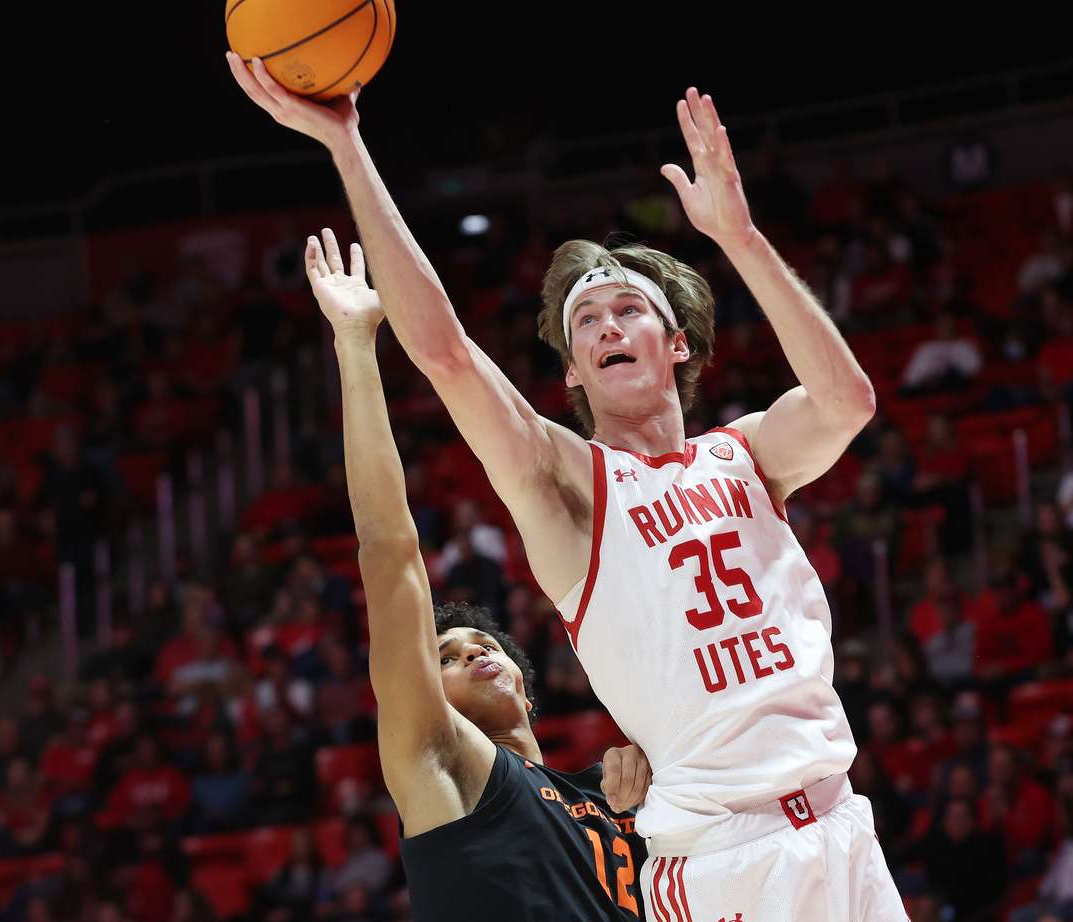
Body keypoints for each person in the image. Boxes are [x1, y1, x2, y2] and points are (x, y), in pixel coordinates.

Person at [228, 55, 904, 920]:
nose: (607, 325)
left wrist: (739, 237)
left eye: (629, 309)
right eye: (587, 321)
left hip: (842, 825)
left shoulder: (749, 454)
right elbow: (444, 353)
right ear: (576, 372)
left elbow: (848, 401)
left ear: (677, 344)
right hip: (729, 861)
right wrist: (348, 146)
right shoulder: (571, 485)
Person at [302, 232, 651, 920]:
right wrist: (355, 342)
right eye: (446, 659)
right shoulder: (447, 767)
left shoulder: (608, 793)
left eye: (482, 646)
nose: (471, 654)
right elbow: (389, 551)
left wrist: (653, 775)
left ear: (525, 683)